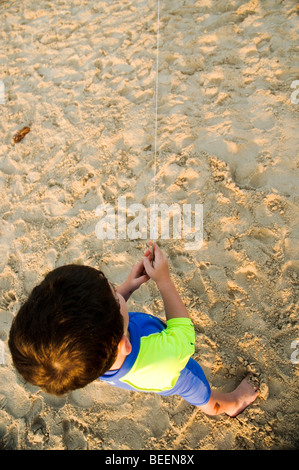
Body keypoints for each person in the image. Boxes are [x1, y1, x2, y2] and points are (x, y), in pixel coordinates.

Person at [9, 243, 259, 417]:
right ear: (124, 344)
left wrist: (128, 288)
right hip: (176, 376)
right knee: (204, 396)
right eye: (114, 296)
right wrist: (164, 281)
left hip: (130, 362)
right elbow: (184, 334)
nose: (117, 293)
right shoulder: (165, 356)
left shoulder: (85, 358)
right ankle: (233, 404)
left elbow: (95, 324)